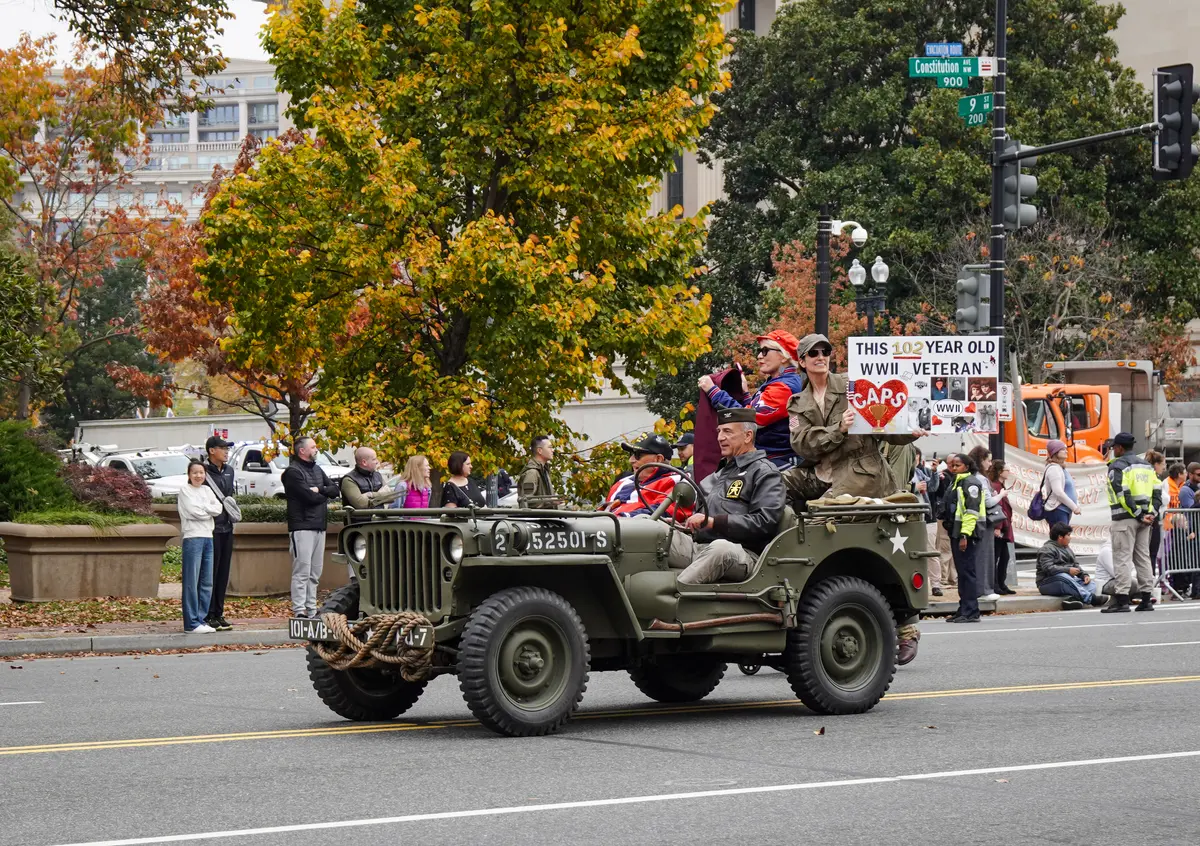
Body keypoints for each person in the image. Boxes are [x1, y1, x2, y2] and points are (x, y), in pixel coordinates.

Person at [782, 333, 925, 504]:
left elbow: (884, 428)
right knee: (772, 485)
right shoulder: (797, 402)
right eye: (813, 353)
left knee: (822, 511)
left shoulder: (854, 385)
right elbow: (802, 444)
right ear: (802, 362)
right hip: (820, 473)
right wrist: (839, 428)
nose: (821, 357)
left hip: (859, 474)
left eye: (825, 352)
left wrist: (910, 431)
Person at [668, 407, 786, 584]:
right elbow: (697, 519)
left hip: (743, 553)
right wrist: (683, 525)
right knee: (649, 529)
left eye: (727, 431)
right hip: (699, 547)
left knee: (720, 548)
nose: (720, 437)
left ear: (748, 436)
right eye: (719, 431)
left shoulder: (764, 472)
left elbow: (766, 521)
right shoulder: (715, 476)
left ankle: (672, 596)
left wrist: (714, 521)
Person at [699, 329, 804, 469]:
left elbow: (746, 419)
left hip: (778, 464)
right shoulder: (780, 382)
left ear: (783, 356)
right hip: (772, 460)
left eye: (765, 351)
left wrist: (713, 391)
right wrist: (746, 394)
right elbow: (754, 414)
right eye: (759, 351)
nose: (759, 356)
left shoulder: (783, 388)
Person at [1101, 432, 1161, 613]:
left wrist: (1137, 514)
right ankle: (1146, 600)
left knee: (1122, 558)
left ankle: (1122, 601)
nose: (1113, 451)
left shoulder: (1117, 466)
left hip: (1125, 518)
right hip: (1145, 519)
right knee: (1143, 558)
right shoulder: (1147, 466)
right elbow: (1156, 493)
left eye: (1113, 448)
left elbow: (1122, 493)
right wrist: (1150, 514)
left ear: (1119, 448)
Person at [282, 436, 341, 618]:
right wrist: (320, 492)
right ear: (302, 451)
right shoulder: (292, 472)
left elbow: (334, 490)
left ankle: (312, 609)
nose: (316, 449)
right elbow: (308, 498)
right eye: (313, 447)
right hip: (302, 526)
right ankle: (299, 610)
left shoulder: (317, 469)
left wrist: (319, 490)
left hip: (319, 525)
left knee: (315, 572)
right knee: (302, 571)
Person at [177, 459, 224, 633]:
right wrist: (207, 510)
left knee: (206, 581)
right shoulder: (185, 491)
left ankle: (201, 619)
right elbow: (193, 511)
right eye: (195, 472)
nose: (198, 476)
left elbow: (218, 508)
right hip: (193, 538)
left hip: (208, 537)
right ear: (189, 475)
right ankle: (191, 622)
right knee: (192, 581)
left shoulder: (207, 490)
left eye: (201, 472)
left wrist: (205, 509)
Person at [944, 452, 985, 623]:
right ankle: (964, 609)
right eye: (952, 465)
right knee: (962, 573)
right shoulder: (957, 481)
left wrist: (964, 535)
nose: (953, 468)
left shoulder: (970, 483)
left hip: (967, 533)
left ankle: (971, 611)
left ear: (966, 467)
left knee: (967, 573)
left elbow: (971, 512)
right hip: (956, 532)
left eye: (957, 465)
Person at [609, 434, 690, 519]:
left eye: (637, 454)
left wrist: (623, 517)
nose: (631, 460)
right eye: (631, 454)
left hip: (633, 529)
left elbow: (664, 511)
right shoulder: (623, 482)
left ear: (658, 459)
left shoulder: (678, 481)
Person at [203, 435, 236, 632]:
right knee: (210, 573)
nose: (226, 452)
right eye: (222, 448)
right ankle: (208, 613)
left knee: (223, 572)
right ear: (211, 450)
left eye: (227, 448)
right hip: (211, 529)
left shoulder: (230, 471)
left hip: (228, 527)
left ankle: (219, 613)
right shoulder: (203, 471)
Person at [1035, 522, 1105, 609]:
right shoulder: (1046, 549)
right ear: (1060, 537)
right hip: (1047, 583)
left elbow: (1075, 565)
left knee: (1091, 584)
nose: (1070, 538)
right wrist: (1068, 570)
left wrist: (1084, 575)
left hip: (1068, 580)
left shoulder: (1067, 548)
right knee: (1063, 577)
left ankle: (1073, 600)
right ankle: (1091, 599)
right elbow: (1048, 569)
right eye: (1068, 535)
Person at [339, 447, 402, 521]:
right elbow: (360, 503)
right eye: (374, 459)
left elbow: (391, 496)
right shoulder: (349, 480)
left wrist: (370, 494)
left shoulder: (377, 476)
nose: (377, 462)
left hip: (380, 523)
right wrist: (381, 496)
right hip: (359, 526)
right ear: (364, 462)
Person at [987, 460, 1016, 595]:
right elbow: (997, 508)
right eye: (1006, 470)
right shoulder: (996, 486)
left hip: (1004, 526)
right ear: (1000, 472)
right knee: (998, 556)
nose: (1008, 473)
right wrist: (998, 526)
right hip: (1000, 526)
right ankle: (996, 585)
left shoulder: (999, 485)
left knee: (1004, 556)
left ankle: (1001, 583)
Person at [1040, 439, 1081, 527]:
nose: (1066, 451)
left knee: (1061, 539)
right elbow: (1058, 492)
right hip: (1058, 510)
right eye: (1063, 449)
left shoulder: (1060, 468)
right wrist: (1074, 507)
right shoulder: (1054, 469)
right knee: (1059, 539)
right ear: (1055, 452)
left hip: (1063, 510)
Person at [517, 435, 559, 508]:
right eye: (550, 447)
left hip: (544, 518)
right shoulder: (532, 472)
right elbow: (527, 500)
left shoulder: (543, 471)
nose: (553, 450)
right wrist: (550, 501)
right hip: (536, 518)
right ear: (540, 450)